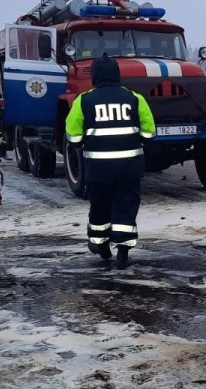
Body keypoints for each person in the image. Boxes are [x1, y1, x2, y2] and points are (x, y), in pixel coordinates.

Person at [65, 57, 155, 269]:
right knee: (126, 206)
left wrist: (87, 141)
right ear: (117, 75)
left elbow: (73, 135)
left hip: (98, 168)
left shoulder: (83, 100)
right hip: (129, 167)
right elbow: (149, 133)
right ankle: (123, 253)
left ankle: (99, 244)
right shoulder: (135, 98)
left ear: (95, 75)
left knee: (99, 204)